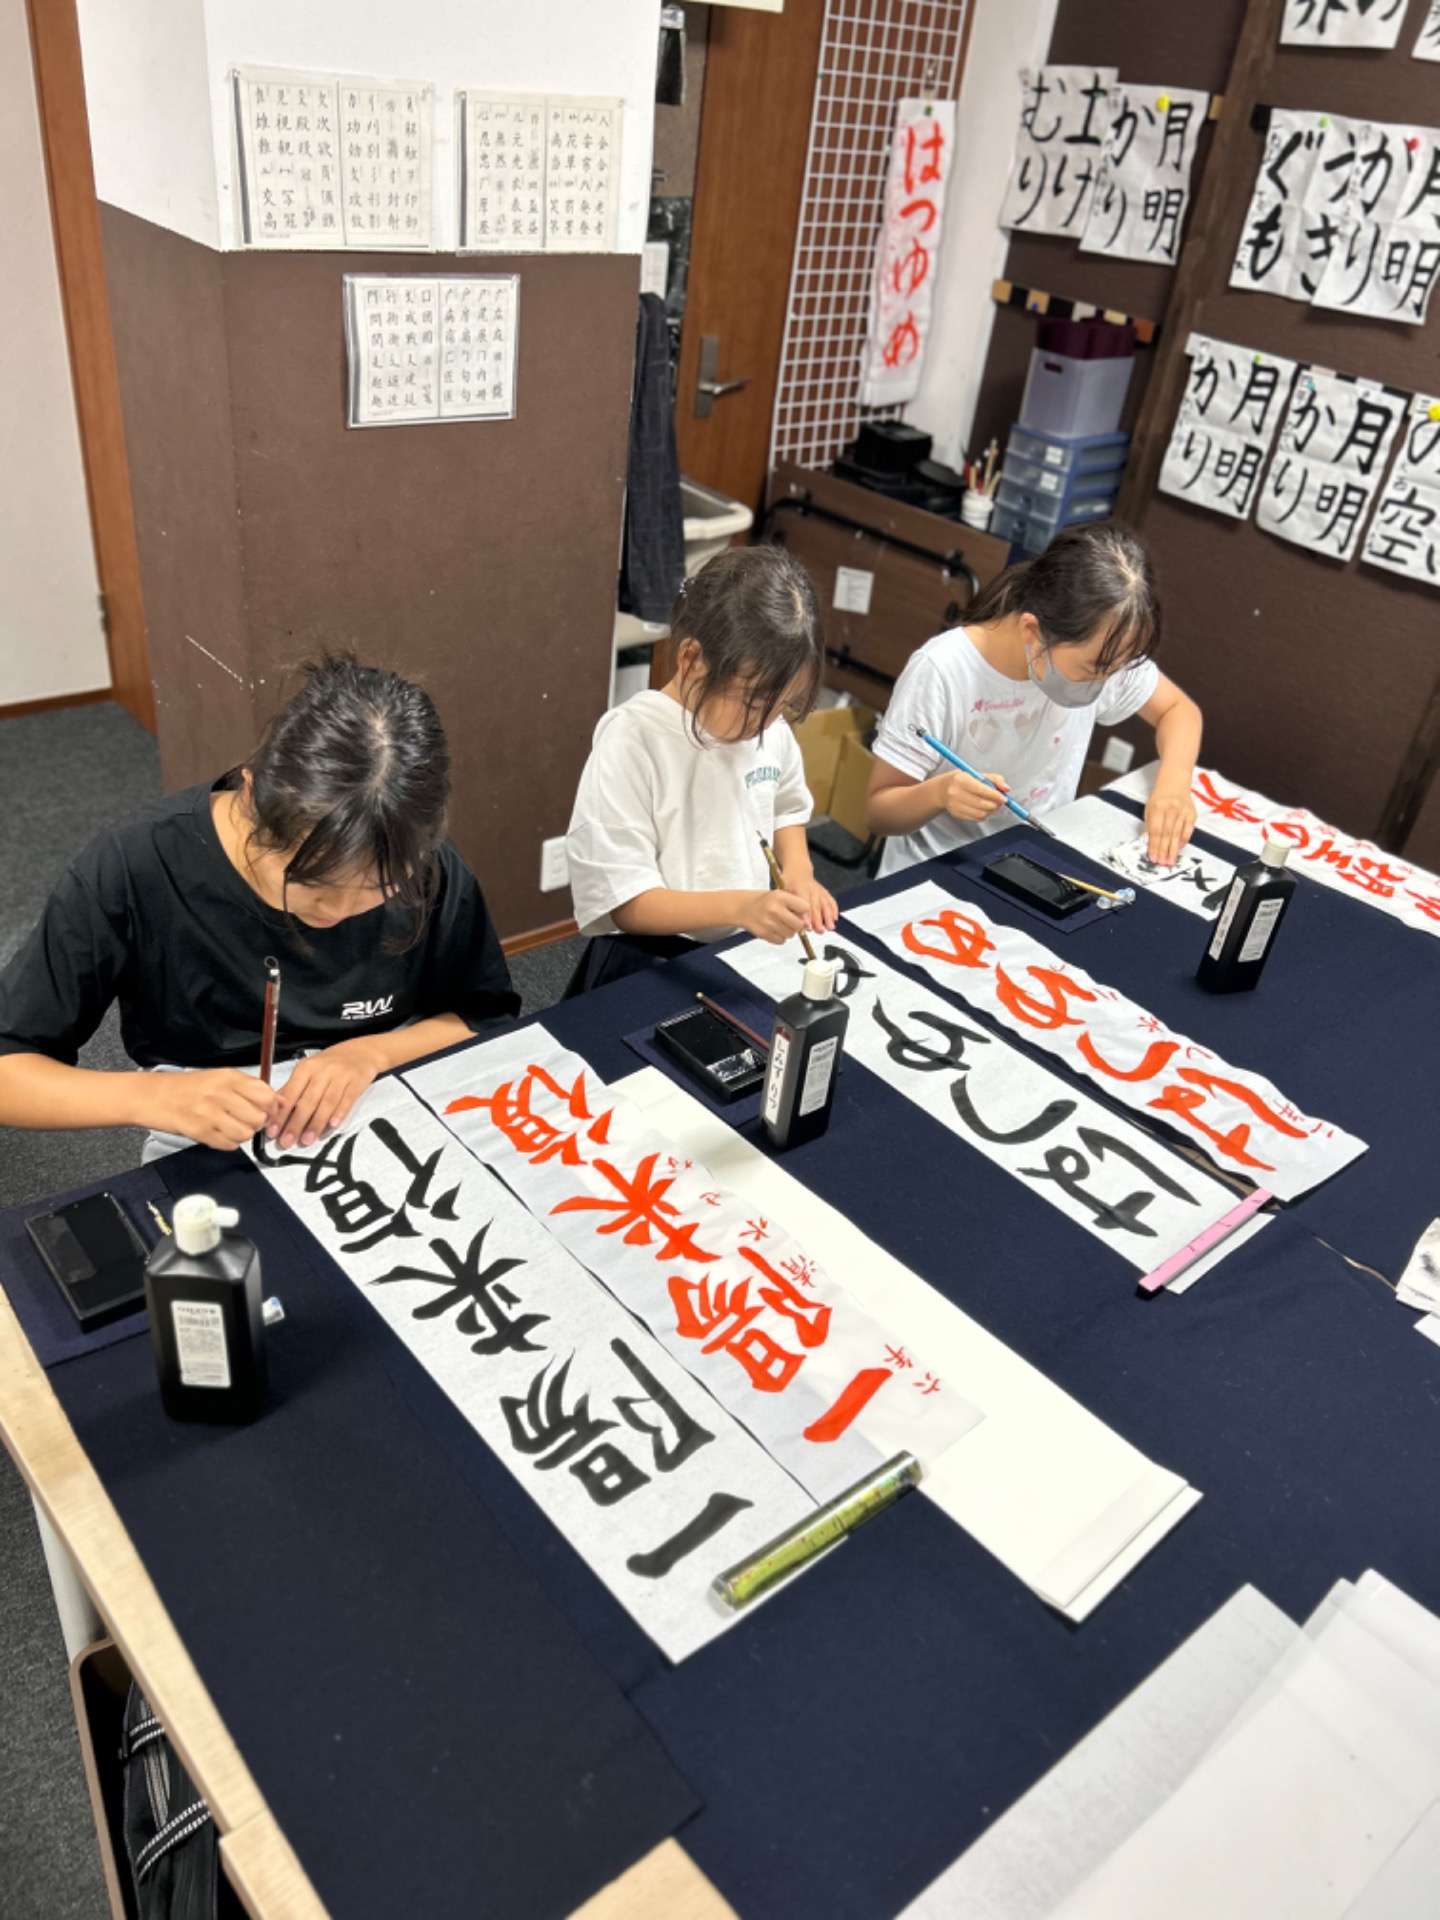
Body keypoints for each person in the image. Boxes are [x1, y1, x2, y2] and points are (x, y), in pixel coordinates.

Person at [0, 655, 518, 1159]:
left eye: (375, 889)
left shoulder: (426, 866)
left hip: (383, 1082)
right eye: (311, 886)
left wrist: (370, 1054)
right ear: (253, 795)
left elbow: (485, 1015)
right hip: (204, 1110)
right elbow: (10, 1067)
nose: (337, 912)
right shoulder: (135, 864)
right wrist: (149, 1099)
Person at [566, 544, 837, 993]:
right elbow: (628, 904)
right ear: (691, 660)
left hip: (737, 946)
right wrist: (742, 907)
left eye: (785, 706)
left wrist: (800, 873)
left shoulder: (768, 730)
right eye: (754, 703)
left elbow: (787, 805)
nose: (767, 724)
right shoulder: (633, 741)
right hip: (647, 954)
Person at [865, 522, 1202, 874]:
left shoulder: (1106, 651)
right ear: (1032, 631)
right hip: (938, 871)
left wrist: (1173, 787)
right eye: (1090, 671)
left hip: (1035, 863)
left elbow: (1179, 711)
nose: (1103, 683)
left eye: (1114, 670)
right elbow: (878, 812)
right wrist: (939, 793)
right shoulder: (943, 670)